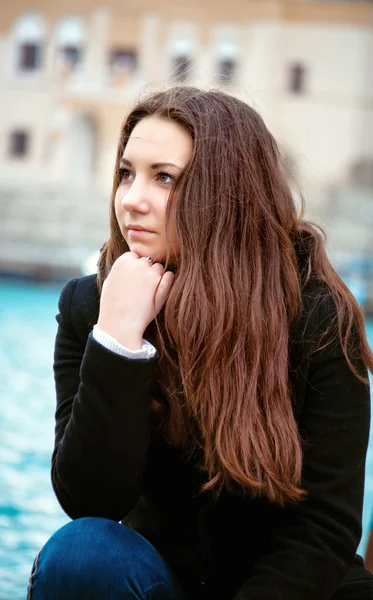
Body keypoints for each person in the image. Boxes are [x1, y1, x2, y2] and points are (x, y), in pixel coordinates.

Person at [27, 86, 373, 600]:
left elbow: (324, 530)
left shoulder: (318, 315)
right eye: (126, 173)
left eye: (164, 177)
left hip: (295, 590)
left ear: (226, 193)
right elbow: (90, 499)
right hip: (158, 583)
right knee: (80, 553)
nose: (131, 199)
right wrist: (119, 342)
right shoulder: (89, 306)